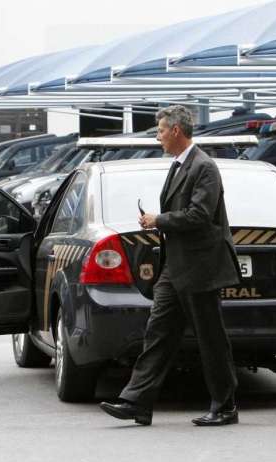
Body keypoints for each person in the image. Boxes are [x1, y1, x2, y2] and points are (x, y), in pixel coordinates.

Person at [99, 105, 240, 426]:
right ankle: (136, 402)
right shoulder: (179, 165)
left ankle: (225, 406)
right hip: (175, 267)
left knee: (211, 339)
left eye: (161, 131)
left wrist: (158, 220)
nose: (158, 137)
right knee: (158, 334)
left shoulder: (203, 166)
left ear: (176, 130)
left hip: (200, 269)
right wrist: (159, 221)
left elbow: (199, 215)